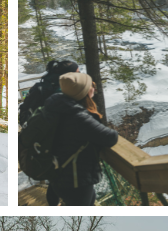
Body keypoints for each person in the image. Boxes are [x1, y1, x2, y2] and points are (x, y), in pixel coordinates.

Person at [42, 72, 118, 206]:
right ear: (84, 92)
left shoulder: (56, 106)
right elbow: (110, 138)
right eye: (91, 85)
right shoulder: (78, 117)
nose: (94, 87)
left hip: (56, 174)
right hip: (75, 180)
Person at [19, 59, 79, 126]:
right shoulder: (60, 90)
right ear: (69, 74)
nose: (80, 75)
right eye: (78, 72)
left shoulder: (46, 85)